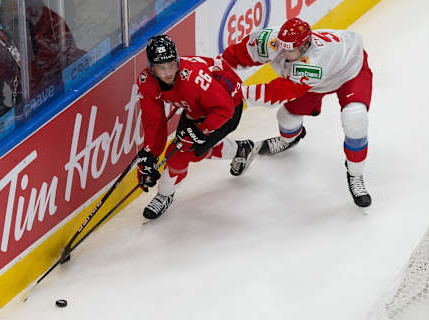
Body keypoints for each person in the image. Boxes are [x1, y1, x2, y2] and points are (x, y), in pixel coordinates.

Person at [220, 17, 373, 208]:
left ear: (306, 45)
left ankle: (355, 174)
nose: (284, 53)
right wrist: (215, 70)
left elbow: (275, 93)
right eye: (282, 47)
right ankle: (289, 139)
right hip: (312, 82)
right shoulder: (271, 41)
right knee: (286, 117)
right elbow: (237, 54)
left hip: (350, 71)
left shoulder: (313, 63)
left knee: (354, 118)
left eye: (290, 50)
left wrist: (236, 94)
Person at [136, 35, 259, 220]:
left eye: (171, 65)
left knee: (180, 152)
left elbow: (224, 109)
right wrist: (150, 155)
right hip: (195, 107)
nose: (168, 72)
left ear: (177, 61)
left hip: (227, 107)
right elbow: (154, 123)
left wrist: (201, 131)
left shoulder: (193, 78)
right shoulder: (147, 81)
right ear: (152, 68)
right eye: (162, 68)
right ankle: (242, 149)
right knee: (192, 148)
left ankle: (164, 194)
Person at [0, 0, 84, 130]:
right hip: (31, 110)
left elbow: (70, 52)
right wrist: (9, 120)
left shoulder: (37, 14)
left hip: (59, 97)